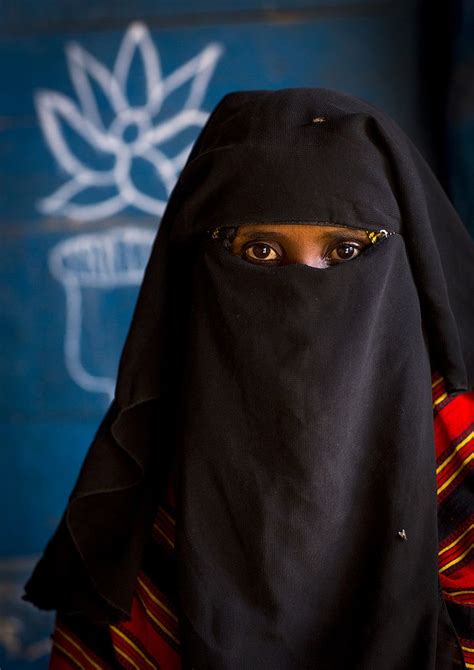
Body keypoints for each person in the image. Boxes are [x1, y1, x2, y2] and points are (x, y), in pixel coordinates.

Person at [22, 87, 473, 669]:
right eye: (259, 251)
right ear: (198, 271)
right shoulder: (150, 498)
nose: (301, 291)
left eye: (345, 252)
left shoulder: (457, 456)